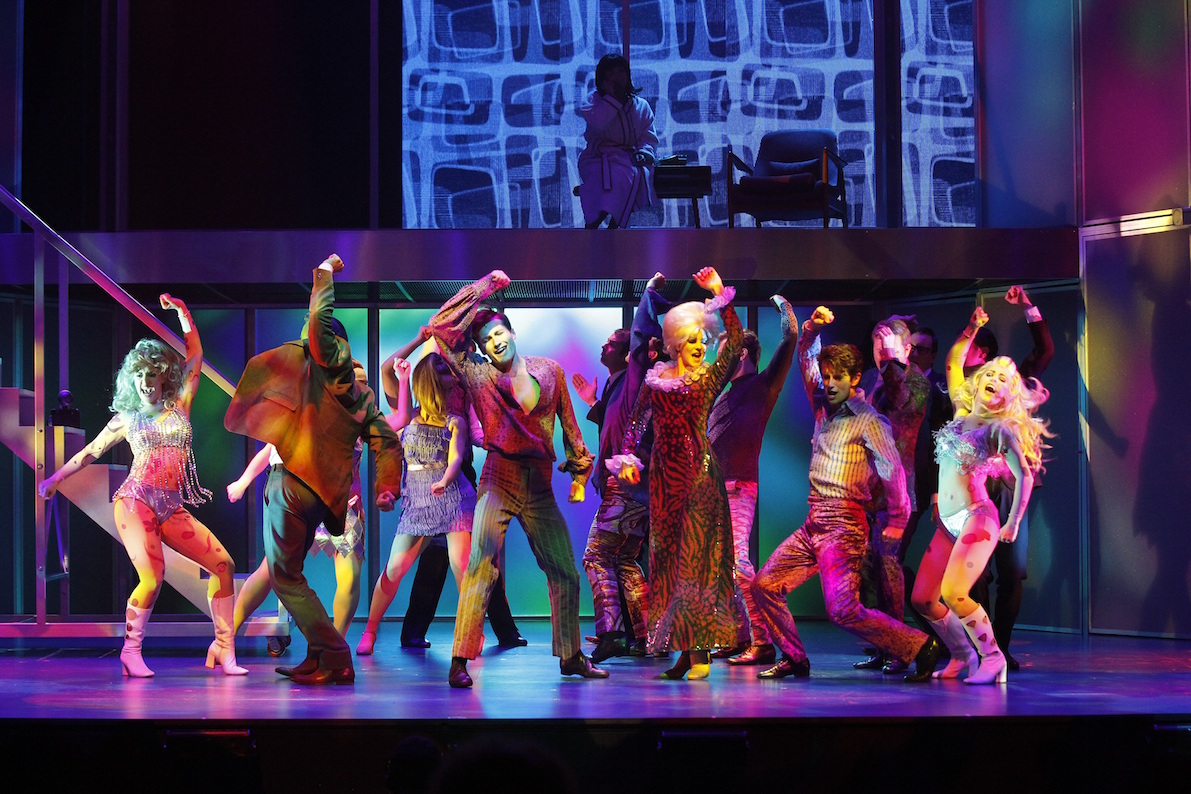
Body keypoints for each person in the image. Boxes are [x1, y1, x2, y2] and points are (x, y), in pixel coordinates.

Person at [38, 293, 245, 677]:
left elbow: (195, 356)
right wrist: (54, 479)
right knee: (152, 576)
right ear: (131, 380)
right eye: (139, 376)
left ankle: (223, 646)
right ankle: (130, 651)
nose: (146, 382)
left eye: (152, 374)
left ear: (164, 376)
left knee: (223, 565)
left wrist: (183, 313)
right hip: (135, 501)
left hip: (170, 505)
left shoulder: (180, 405)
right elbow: (90, 452)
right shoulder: (127, 418)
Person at [224, 254, 403, 685]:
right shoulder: (356, 397)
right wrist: (387, 486)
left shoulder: (326, 366)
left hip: (292, 486)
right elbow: (386, 440)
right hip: (323, 497)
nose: (303, 345)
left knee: (284, 575)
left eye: (309, 339)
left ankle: (334, 653)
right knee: (287, 573)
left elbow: (320, 321)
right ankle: (319, 654)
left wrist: (324, 274)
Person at [426, 270, 604, 688]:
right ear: (481, 348)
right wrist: (485, 287)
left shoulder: (550, 371)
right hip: (498, 476)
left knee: (564, 569)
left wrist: (580, 472)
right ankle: (459, 660)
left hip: (539, 482)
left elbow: (570, 427)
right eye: (486, 339)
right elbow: (439, 327)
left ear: (512, 332)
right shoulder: (478, 374)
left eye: (499, 333)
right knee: (481, 564)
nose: (495, 342)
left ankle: (571, 656)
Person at [750, 306, 941, 682]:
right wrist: (811, 329)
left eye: (838, 377)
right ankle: (794, 657)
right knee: (765, 585)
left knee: (843, 610)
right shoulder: (823, 408)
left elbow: (892, 471)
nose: (830, 383)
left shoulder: (869, 420)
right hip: (813, 523)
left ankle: (920, 646)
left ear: (855, 379)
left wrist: (899, 518)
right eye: (827, 377)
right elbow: (807, 363)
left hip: (844, 526)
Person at [909, 306, 1052, 684]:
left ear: (1009, 395)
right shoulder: (960, 410)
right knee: (923, 598)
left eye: (1003, 380)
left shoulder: (998, 431)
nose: (993, 380)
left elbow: (1023, 475)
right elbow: (955, 360)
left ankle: (993, 658)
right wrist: (971, 327)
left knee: (955, 592)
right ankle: (962, 655)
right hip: (948, 523)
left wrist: (1013, 522)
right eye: (989, 374)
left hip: (978, 517)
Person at [615, 267, 742, 681]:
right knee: (668, 561)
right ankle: (684, 650)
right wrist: (628, 459)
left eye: (702, 339)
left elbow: (735, 345)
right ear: (674, 343)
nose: (699, 346)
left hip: (698, 476)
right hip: (663, 480)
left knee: (696, 562)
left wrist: (719, 295)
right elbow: (637, 422)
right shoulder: (657, 380)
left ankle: (701, 650)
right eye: (691, 340)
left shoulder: (707, 379)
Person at [378, 331, 526, 650]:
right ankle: (413, 632)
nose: (458, 360)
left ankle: (498, 631)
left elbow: (477, 431)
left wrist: (504, 440)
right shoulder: (414, 397)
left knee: (475, 558)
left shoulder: (463, 389)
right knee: (432, 560)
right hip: (423, 488)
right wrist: (418, 339)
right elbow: (388, 368)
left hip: (457, 476)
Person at [356, 354, 476, 655]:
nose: (450, 382)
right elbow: (391, 451)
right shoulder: (408, 418)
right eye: (443, 376)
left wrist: (445, 481)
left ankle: (471, 633)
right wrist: (403, 378)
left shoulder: (455, 422)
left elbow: (455, 459)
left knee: (461, 566)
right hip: (418, 502)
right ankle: (370, 630)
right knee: (395, 568)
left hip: (453, 500)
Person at [577, 275, 670, 662]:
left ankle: (612, 631)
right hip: (633, 487)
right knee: (625, 560)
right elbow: (619, 426)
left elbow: (640, 338)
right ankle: (648, 637)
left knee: (596, 556)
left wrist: (648, 295)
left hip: (627, 485)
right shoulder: (620, 387)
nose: (605, 346)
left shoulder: (636, 377)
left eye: (612, 343)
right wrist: (593, 403)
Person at [707, 295, 799, 668]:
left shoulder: (762, 386)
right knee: (720, 567)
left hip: (738, 487)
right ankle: (737, 635)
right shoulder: (722, 395)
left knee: (737, 563)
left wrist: (783, 307)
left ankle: (762, 641)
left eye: (724, 352)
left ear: (741, 354)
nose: (718, 360)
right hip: (714, 490)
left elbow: (790, 338)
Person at [966, 285, 1054, 670]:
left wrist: (1029, 306)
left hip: (1011, 483)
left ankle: (1001, 647)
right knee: (976, 572)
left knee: (1013, 571)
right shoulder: (964, 393)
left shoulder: (1011, 381)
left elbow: (1044, 351)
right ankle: (984, 648)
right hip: (976, 484)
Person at [225, 434, 365, 647]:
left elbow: (388, 427)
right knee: (270, 570)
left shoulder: (358, 415)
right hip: (304, 498)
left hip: (344, 503)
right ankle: (225, 639)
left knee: (351, 574)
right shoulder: (302, 416)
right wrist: (243, 482)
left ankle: (336, 647)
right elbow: (271, 448)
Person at [852, 315, 931, 674]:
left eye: (887, 344)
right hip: (867, 489)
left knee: (888, 564)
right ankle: (883, 644)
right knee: (868, 568)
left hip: (897, 494)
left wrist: (890, 363)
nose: (880, 352)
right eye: (876, 345)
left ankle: (902, 648)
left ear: (907, 348)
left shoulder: (915, 381)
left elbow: (898, 401)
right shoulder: (872, 378)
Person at [577, 53, 658, 229]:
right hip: (597, 157)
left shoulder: (641, 106)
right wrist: (613, 100)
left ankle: (613, 228)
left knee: (632, 174)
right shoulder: (593, 101)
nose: (618, 77)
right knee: (611, 177)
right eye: (611, 73)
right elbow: (598, 123)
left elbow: (647, 135)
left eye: (621, 71)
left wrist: (644, 152)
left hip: (629, 158)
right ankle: (593, 226)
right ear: (603, 79)